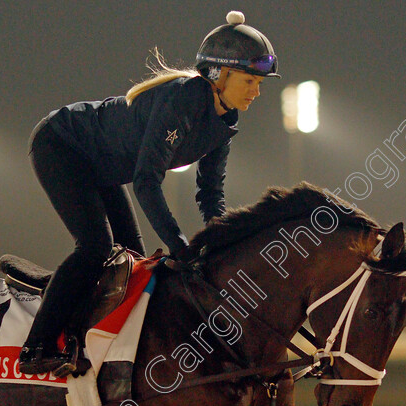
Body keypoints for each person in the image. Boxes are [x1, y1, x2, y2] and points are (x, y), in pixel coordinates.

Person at [18, 10, 279, 374]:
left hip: (101, 165)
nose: (257, 91)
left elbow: (210, 193)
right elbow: (145, 181)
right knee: (95, 247)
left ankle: (90, 334)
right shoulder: (182, 100)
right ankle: (36, 348)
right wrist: (179, 245)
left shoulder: (226, 119)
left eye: (260, 83)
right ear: (220, 75)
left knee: (133, 260)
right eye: (250, 81)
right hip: (61, 145)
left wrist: (219, 239)